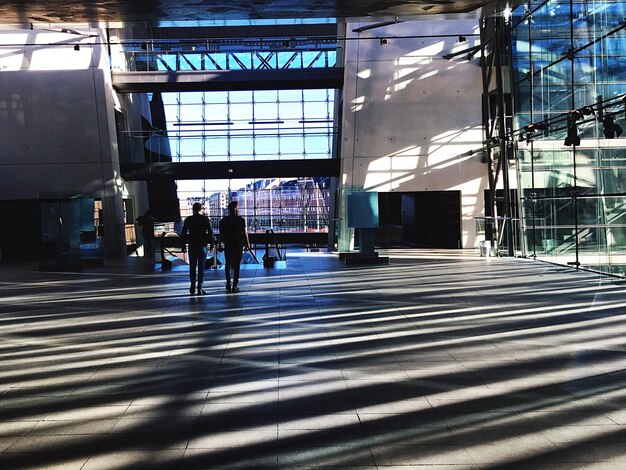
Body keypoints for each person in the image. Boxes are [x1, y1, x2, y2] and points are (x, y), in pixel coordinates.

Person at [181, 203, 213, 295]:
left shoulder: (189, 219)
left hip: (192, 246)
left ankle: (192, 286)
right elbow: (210, 233)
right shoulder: (205, 219)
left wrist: (183, 245)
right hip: (202, 246)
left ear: (193, 209)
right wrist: (211, 244)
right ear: (201, 209)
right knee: (201, 268)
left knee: (192, 267)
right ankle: (200, 288)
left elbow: (183, 233)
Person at [219, 200, 250, 293]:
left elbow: (221, 234)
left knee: (227, 264)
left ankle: (228, 282)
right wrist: (247, 243)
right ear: (235, 209)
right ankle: (235, 284)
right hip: (237, 245)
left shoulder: (223, 221)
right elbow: (245, 233)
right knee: (236, 265)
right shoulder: (240, 220)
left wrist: (220, 243)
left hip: (228, 245)